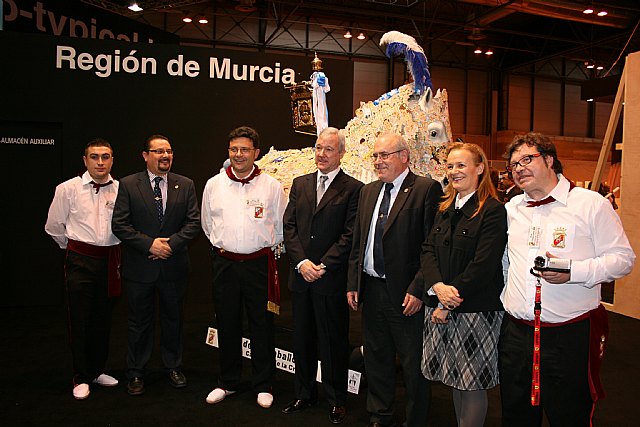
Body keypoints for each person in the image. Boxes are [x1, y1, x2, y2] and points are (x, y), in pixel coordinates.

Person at [499, 132, 635, 426]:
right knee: (516, 414)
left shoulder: (590, 204)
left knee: (569, 414)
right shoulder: (511, 209)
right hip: (516, 335)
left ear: (549, 159)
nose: (519, 168)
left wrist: (575, 272)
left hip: (568, 336)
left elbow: (623, 259)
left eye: (527, 159)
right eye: (513, 165)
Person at [347, 132, 443, 427]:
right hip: (372, 289)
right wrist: (353, 282)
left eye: (384, 155)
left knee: (413, 364)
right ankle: (380, 415)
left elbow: (432, 245)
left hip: (407, 295)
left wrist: (418, 289)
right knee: (376, 357)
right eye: (375, 155)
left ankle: (415, 420)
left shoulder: (425, 189)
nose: (378, 161)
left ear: (404, 156)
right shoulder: (368, 191)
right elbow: (358, 241)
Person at [421, 142, 507, 427]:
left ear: (479, 168)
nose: (454, 171)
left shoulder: (492, 211)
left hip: (474, 311)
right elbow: (427, 251)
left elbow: (482, 266)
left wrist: (447, 300)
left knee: (471, 385)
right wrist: (437, 287)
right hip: (443, 303)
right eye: (450, 166)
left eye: (462, 165)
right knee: (455, 380)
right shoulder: (445, 208)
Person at [201, 126, 287, 409]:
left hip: (258, 265)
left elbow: (282, 225)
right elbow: (207, 224)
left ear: (256, 153)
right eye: (234, 149)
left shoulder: (271, 186)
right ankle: (228, 382)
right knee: (226, 322)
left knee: (262, 324)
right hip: (225, 264)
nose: (239, 155)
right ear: (229, 152)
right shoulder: (214, 184)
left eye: (245, 150)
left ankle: (263, 384)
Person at [282, 127, 363, 424]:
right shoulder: (299, 183)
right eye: (318, 148)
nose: (321, 154)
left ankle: (336, 399)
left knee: (333, 342)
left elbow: (350, 234)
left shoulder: (354, 188)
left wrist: (323, 265)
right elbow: (288, 227)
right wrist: (302, 262)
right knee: (302, 339)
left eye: (329, 149)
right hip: (301, 277)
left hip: (330, 280)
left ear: (341, 153)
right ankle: (304, 393)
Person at [111, 134, 200, 396]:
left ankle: (173, 366)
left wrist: (169, 245)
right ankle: (136, 372)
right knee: (139, 322)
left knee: (174, 319)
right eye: (159, 151)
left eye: (169, 151)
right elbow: (120, 224)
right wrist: (150, 245)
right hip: (140, 268)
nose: (165, 156)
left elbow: (193, 223)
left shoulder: (185, 184)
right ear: (145, 155)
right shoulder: (128, 184)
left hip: (174, 267)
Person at [45, 138, 121, 400]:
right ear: (85, 160)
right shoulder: (67, 189)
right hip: (80, 259)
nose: (100, 162)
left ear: (112, 159)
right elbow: (54, 226)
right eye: (94, 157)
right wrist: (75, 249)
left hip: (110, 261)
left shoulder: (121, 189)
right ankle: (80, 375)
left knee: (103, 317)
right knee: (80, 318)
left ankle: (97, 370)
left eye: (106, 156)